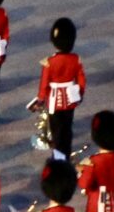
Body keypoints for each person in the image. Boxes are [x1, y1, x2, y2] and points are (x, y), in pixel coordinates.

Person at [31, 17, 86, 158]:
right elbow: (81, 79)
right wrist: (79, 94)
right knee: (67, 128)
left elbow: (44, 84)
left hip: (54, 101)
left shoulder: (49, 62)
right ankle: (65, 152)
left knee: (56, 130)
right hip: (69, 99)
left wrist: (40, 100)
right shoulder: (75, 60)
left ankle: (59, 156)